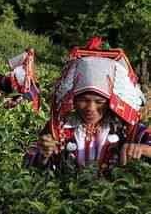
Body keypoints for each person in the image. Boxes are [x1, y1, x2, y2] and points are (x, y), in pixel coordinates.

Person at [25, 38, 150, 172]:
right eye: (83, 100)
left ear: (111, 103)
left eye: (99, 102)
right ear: (73, 100)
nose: (91, 108)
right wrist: (43, 156)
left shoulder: (124, 127)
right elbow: (30, 163)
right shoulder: (59, 127)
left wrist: (141, 149)